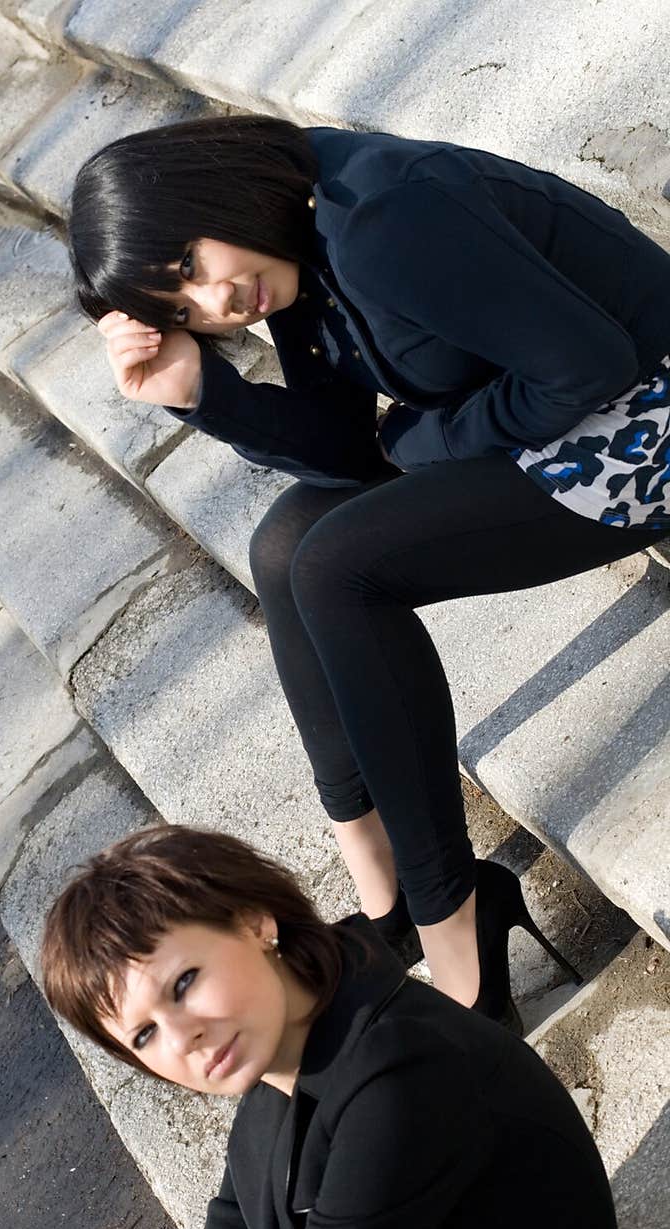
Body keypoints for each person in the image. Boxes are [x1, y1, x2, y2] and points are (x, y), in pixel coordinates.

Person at [67, 115, 670, 1027]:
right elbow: (349, 450)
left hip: (644, 415)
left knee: (339, 568)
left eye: (190, 266)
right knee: (283, 549)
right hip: (564, 414)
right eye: (184, 309)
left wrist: (423, 440)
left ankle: (458, 933)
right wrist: (203, 393)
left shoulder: (381, 217)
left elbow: (589, 364)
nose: (217, 303)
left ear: (204, 193)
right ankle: (385, 898)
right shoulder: (289, 250)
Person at [40, 823, 627, 1229]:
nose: (181, 1037)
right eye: (143, 1035)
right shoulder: (281, 1069)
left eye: (184, 983)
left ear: (255, 923)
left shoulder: (400, 1073)